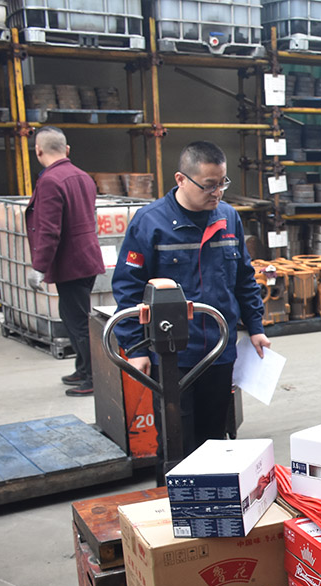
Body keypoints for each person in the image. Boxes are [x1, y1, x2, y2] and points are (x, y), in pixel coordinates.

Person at [112, 141, 270, 458]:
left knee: (214, 440)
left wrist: (255, 327)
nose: (217, 193)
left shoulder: (228, 218)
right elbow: (128, 288)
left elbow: (244, 277)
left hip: (218, 351)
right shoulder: (150, 222)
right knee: (176, 441)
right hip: (172, 356)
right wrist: (135, 348)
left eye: (222, 183)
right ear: (181, 179)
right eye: (209, 185)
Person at [25, 126, 106, 397]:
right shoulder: (82, 176)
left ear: (38, 151)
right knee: (72, 316)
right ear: (67, 149)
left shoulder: (50, 180)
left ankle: (94, 377)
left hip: (71, 262)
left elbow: (49, 230)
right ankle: (83, 369)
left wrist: (39, 267)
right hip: (86, 258)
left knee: (77, 321)